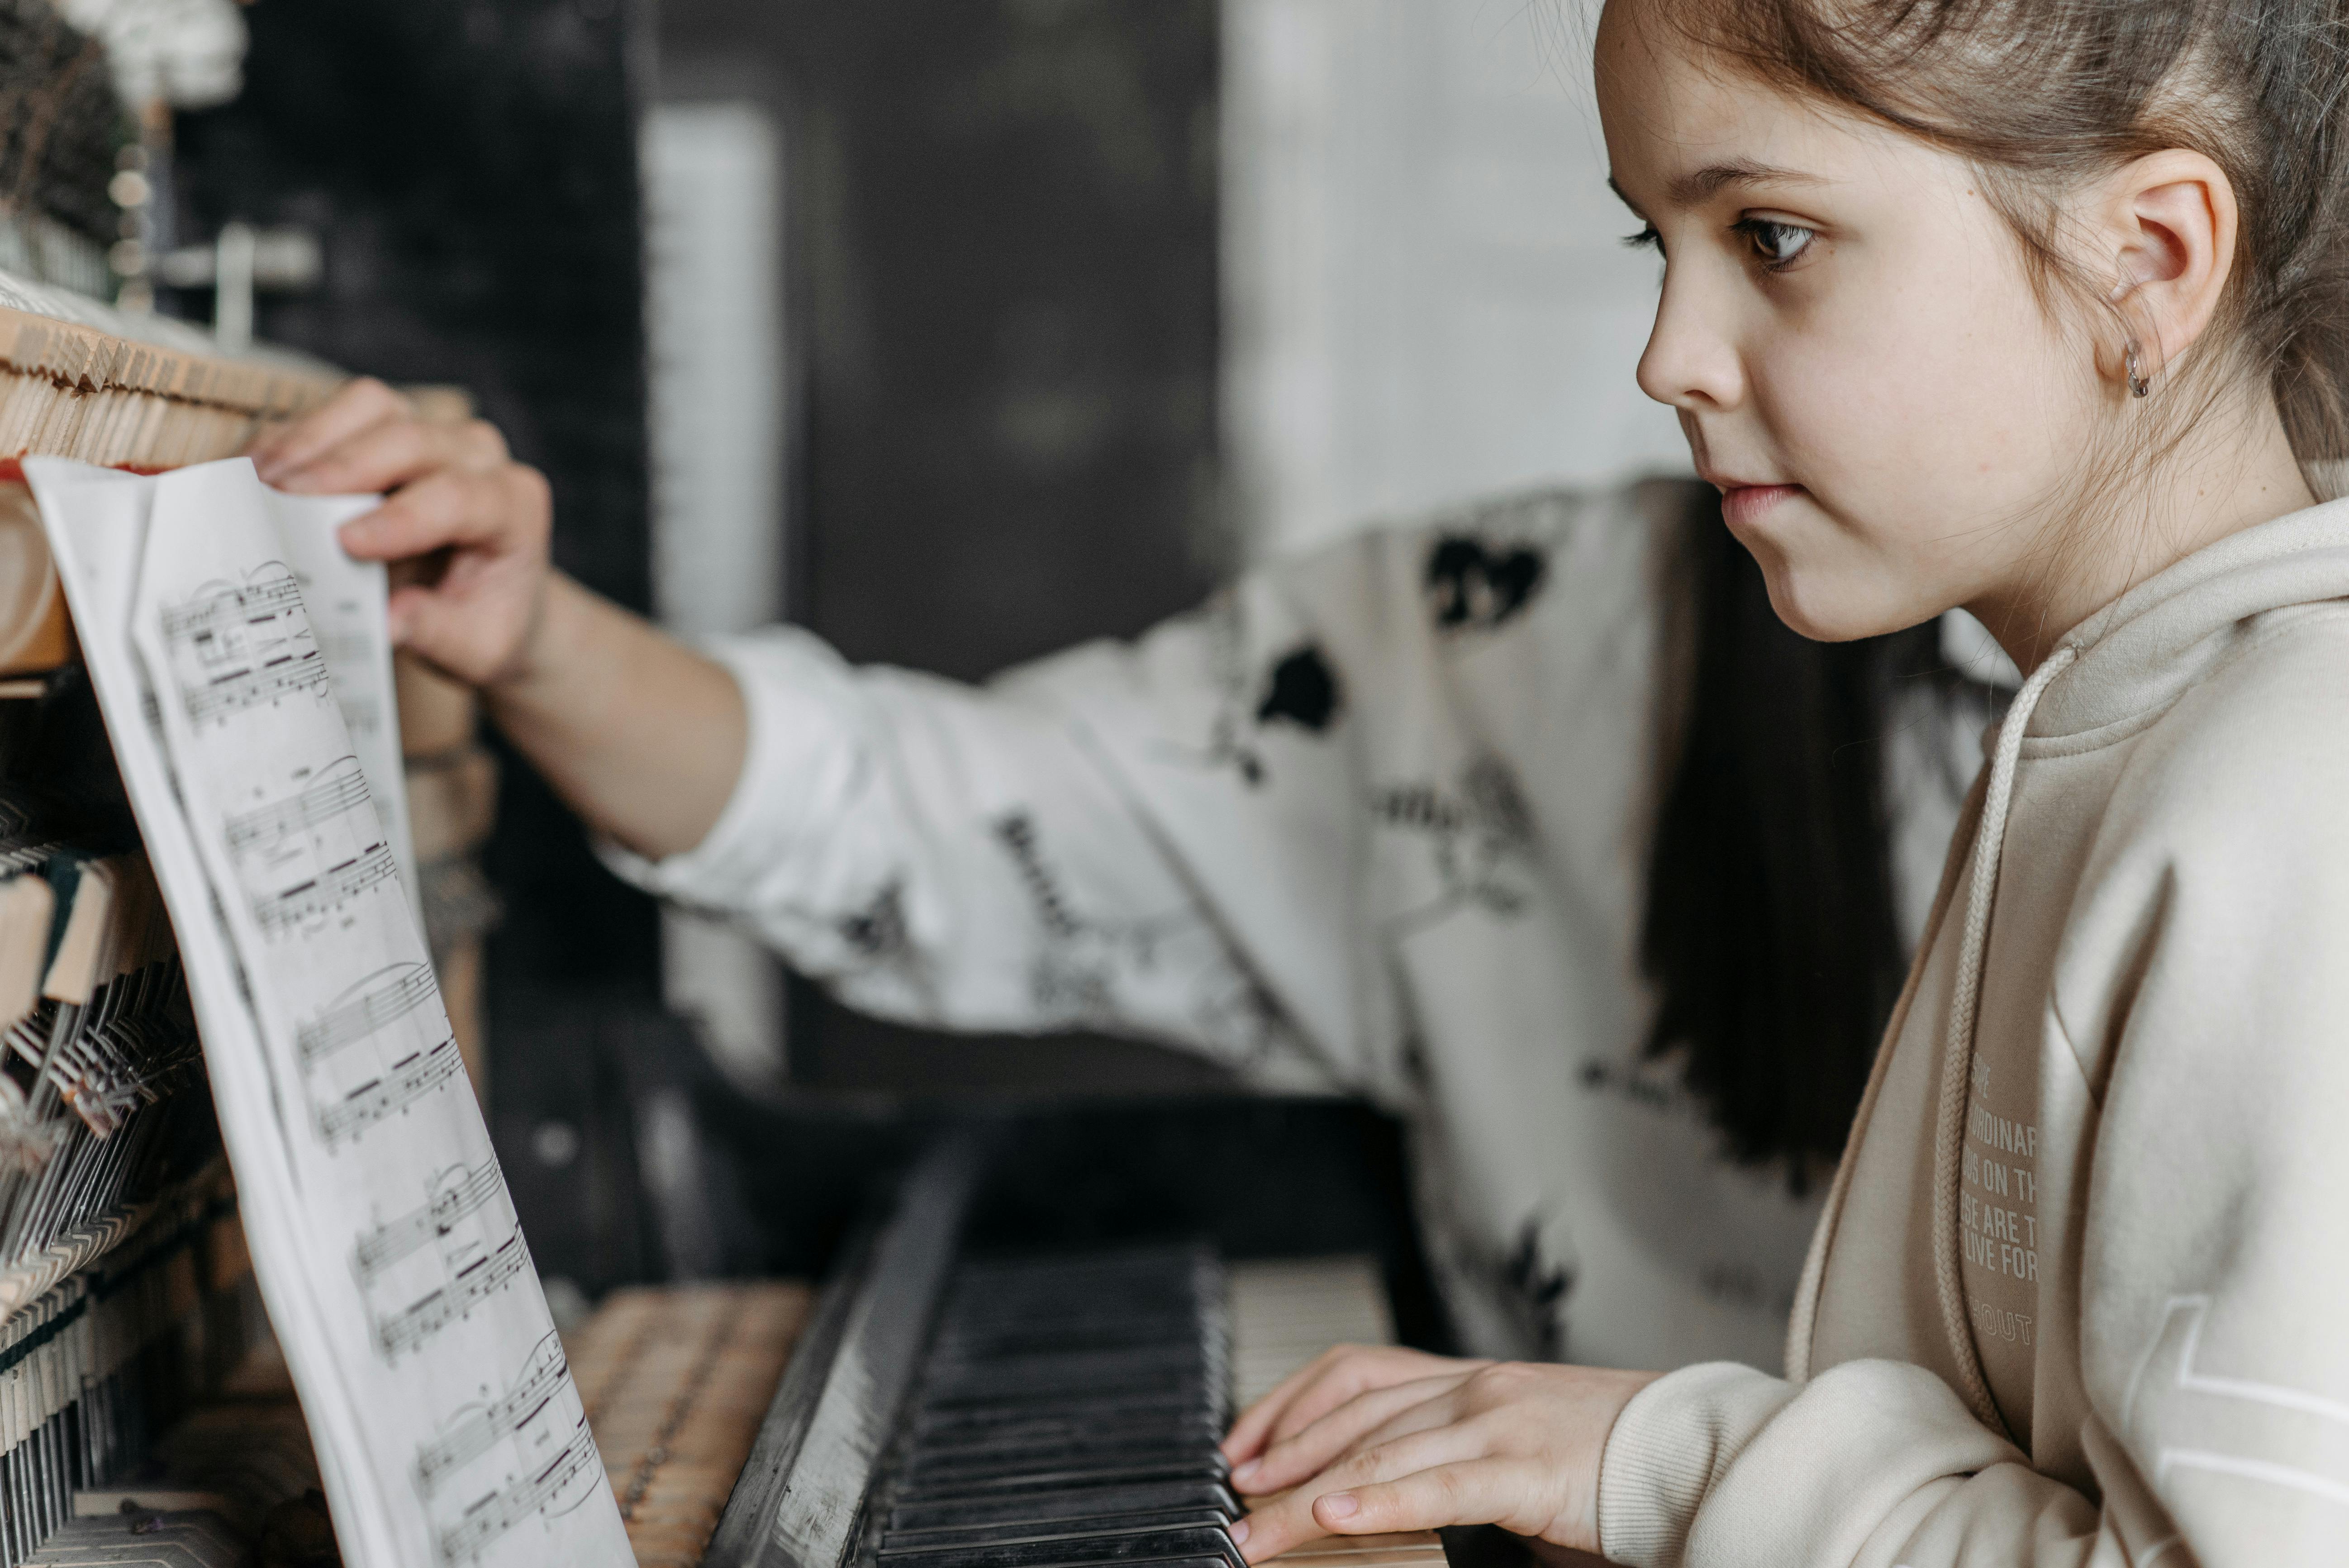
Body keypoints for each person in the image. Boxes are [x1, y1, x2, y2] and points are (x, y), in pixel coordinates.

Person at [248, 371, 1997, 1368]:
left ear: (2150, 249)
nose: (1667, 347)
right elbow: (935, 822)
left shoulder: (2251, 784)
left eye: (1777, 232)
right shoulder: (1503, 639)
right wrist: (534, 635)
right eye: (1654, 232)